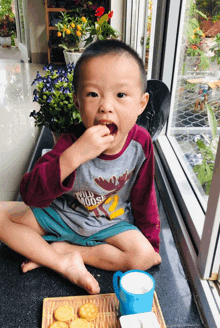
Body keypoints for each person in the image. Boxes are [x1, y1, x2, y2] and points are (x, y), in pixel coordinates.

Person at [0, 40, 161, 295]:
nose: (106, 106)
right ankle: (63, 263)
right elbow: (30, 194)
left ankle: (63, 251)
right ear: (77, 102)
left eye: (120, 95)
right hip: (62, 216)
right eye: (92, 94)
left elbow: (144, 198)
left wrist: (151, 244)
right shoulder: (70, 142)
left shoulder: (140, 144)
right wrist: (73, 156)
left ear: (141, 104)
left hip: (110, 223)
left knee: (143, 257)